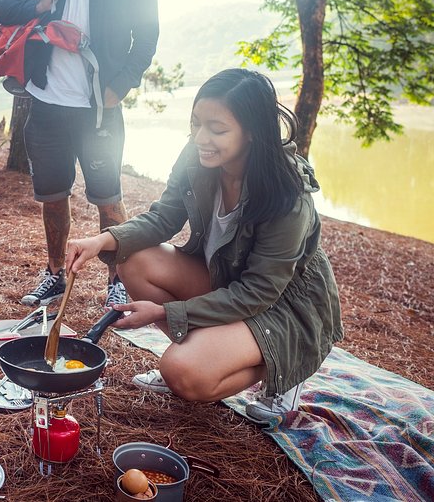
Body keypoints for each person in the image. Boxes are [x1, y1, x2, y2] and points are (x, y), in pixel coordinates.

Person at [65, 69, 344, 423]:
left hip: (280, 305)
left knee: (182, 373)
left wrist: (166, 313)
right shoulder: (198, 154)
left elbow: (257, 292)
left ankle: (283, 368)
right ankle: (209, 351)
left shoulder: (287, 194)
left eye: (217, 129)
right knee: (132, 259)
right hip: (226, 277)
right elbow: (164, 217)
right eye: (196, 123)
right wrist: (102, 240)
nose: (201, 137)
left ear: (253, 131)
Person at [0, 0, 159, 310]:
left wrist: (118, 88)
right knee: (52, 195)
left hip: (100, 110)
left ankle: (118, 279)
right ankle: (52, 273)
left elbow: (146, 38)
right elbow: (2, 6)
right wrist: (40, 4)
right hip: (47, 102)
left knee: (109, 198)